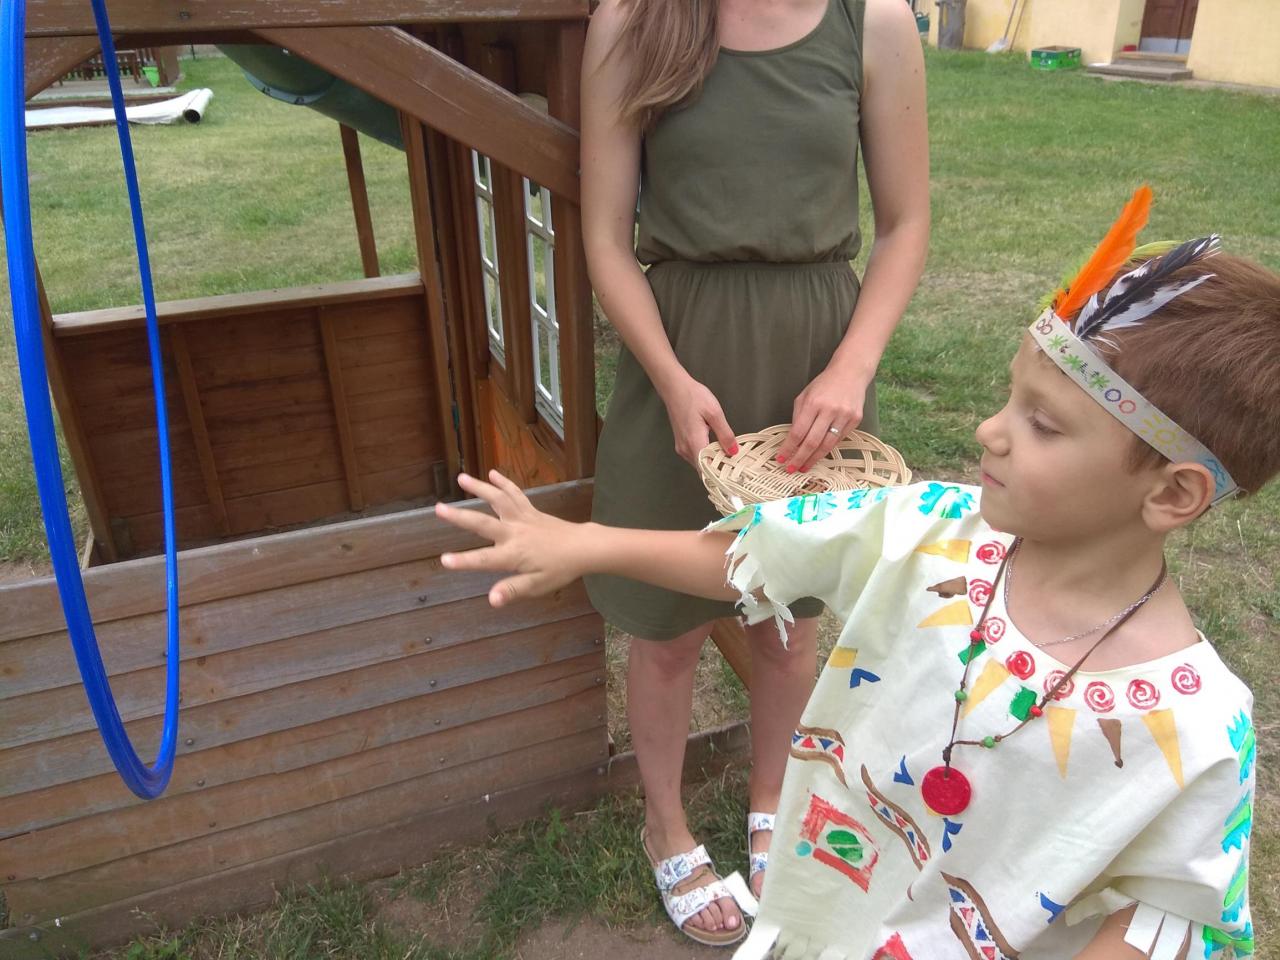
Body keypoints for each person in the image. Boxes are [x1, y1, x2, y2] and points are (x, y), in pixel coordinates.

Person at [435, 191, 1271, 959]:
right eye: (1009, 398)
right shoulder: (933, 527)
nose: (990, 430)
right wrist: (586, 544)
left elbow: (1164, 922)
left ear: (1173, 493)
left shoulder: (1198, 733)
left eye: (1043, 425)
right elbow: (759, 553)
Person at [579, 0, 929, 942]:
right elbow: (605, 238)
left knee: (790, 618)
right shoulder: (633, 20)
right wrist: (669, 377)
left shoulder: (875, 22)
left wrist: (852, 367)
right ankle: (666, 824)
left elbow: (904, 223)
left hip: (815, 360)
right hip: (678, 356)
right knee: (667, 626)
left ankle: (773, 800)